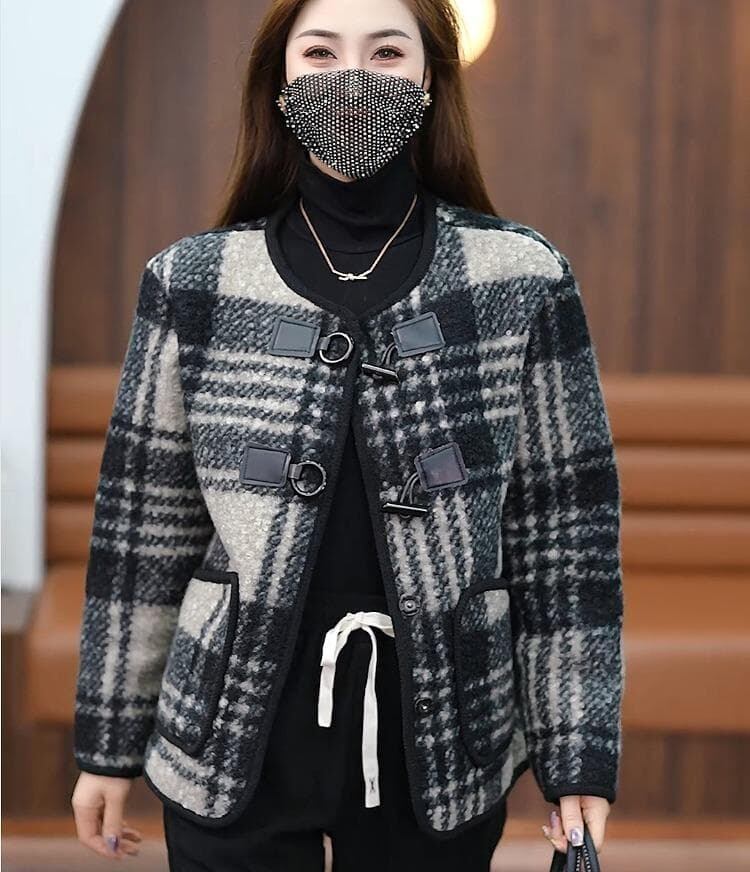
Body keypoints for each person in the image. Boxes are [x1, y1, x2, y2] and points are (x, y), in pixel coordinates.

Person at [71, 0, 624, 869]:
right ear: (280, 79)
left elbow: (565, 539)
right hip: (231, 737)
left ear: (432, 79)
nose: (353, 77)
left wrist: (577, 750)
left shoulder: (521, 278)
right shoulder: (193, 281)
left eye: (387, 52)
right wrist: (107, 743)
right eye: (321, 52)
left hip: (442, 737)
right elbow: (145, 530)